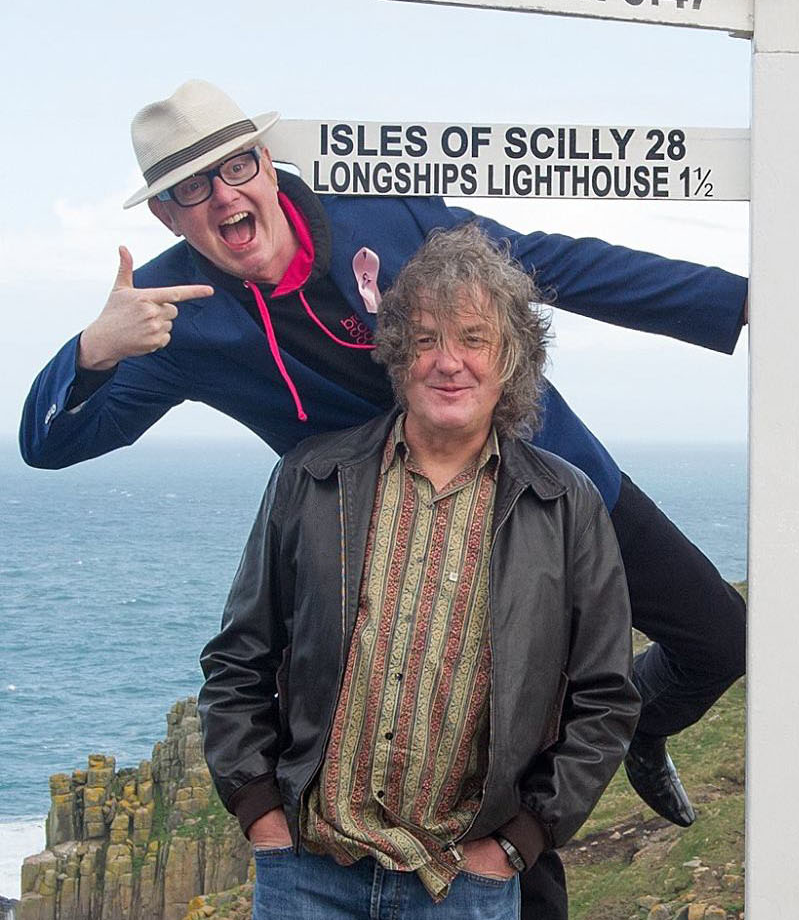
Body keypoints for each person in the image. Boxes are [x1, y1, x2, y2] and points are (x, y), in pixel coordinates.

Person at [20, 80, 745, 917]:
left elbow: (546, 264)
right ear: (169, 218)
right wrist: (92, 352)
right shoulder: (171, 308)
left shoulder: (378, 211)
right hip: (384, 544)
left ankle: (644, 732)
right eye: (192, 187)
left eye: (236, 166)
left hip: (539, 490)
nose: (224, 195)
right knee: (502, 774)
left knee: (720, 637)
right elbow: (50, 443)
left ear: (267, 162)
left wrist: (734, 300)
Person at [199, 224, 639, 920]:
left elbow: (606, 698)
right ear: (400, 357)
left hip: (464, 884)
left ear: (511, 361)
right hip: (310, 876)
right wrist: (259, 809)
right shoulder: (311, 480)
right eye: (427, 339)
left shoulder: (566, 505)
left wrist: (522, 840)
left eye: (472, 339)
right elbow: (238, 659)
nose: (448, 362)